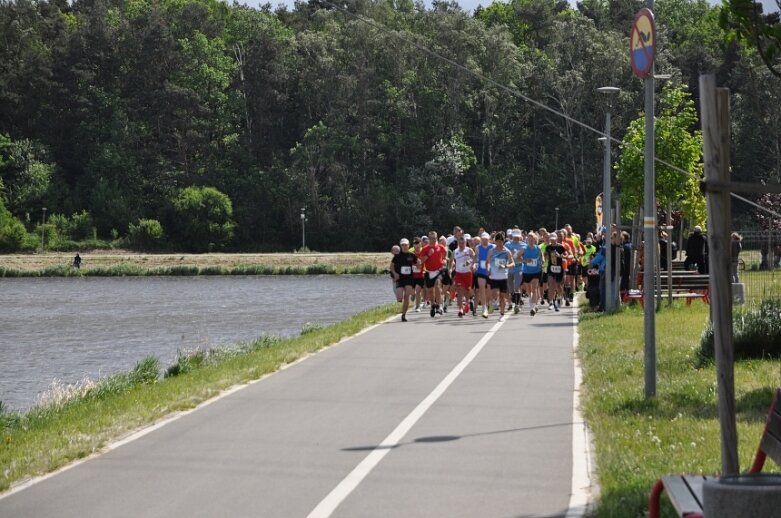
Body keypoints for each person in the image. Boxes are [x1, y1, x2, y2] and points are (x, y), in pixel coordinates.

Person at [485, 232, 514, 320]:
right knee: (494, 293)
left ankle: (502, 314)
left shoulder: (507, 251)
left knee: (502, 296)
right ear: (495, 241)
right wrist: (488, 270)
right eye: (497, 241)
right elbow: (487, 262)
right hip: (494, 276)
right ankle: (494, 303)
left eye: (501, 241)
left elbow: (513, 263)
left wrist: (506, 266)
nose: (499, 243)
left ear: (503, 241)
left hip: (503, 277)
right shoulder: (491, 251)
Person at [421, 231, 447, 317]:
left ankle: (439, 306)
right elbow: (421, 261)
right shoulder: (425, 249)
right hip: (429, 272)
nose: (433, 240)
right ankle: (433, 305)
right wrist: (428, 255)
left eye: (435, 238)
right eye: (431, 238)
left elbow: (445, 255)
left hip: (438, 271)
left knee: (437, 286)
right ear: (429, 238)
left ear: (437, 238)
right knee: (430, 291)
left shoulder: (440, 247)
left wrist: (444, 260)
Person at [391, 239, 417, 322]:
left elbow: (418, 265)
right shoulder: (397, 256)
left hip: (409, 278)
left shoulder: (412, 255)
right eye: (403, 245)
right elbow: (391, 267)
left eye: (406, 245)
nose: (404, 246)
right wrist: (395, 274)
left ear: (408, 245)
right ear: (401, 246)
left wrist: (419, 265)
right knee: (399, 298)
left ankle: (403, 315)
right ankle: (402, 309)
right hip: (400, 278)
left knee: (406, 297)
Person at [452, 234, 476, 318]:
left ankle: (468, 302)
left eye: (463, 243)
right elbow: (452, 261)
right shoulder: (455, 251)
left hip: (468, 273)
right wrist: (451, 267)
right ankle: (460, 309)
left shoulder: (469, 250)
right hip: (459, 273)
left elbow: (474, 258)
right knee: (460, 290)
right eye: (460, 243)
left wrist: (471, 264)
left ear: (466, 243)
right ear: (458, 243)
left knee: (467, 291)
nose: (462, 244)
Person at [520, 232, 543, 316]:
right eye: (529, 239)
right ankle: (534, 303)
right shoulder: (524, 248)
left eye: (532, 239)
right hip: (526, 271)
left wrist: (542, 261)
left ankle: (532, 307)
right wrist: (525, 261)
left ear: (535, 240)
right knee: (529, 290)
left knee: (534, 288)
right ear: (527, 240)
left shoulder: (538, 248)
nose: (530, 241)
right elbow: (517, 257)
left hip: (536, 271)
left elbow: (541, 256)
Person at [545, 233, 566, 312]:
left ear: (556, 239)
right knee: (551, 284)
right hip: (551, 268)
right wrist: (545, 258)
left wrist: (559, 256)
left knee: (558, 286)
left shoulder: (560, 247)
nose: (553, 240)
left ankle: (560, 296)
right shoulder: (548, 247)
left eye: (554, 239)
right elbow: (546, 256)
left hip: (559, 268)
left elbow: (566, 255)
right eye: (551, 239)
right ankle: (551, 303)